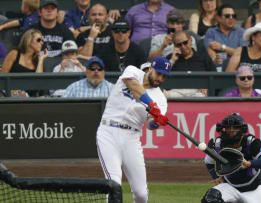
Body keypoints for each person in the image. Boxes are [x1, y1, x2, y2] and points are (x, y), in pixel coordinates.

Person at [96, 56, 171, 203]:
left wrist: (155, 122)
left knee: (141, 193)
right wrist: (151, 105)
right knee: (113, 185)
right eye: (158, 73)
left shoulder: (161, 99)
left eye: (164, 76)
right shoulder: (133, 71)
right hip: (108, 132)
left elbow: (149, 124)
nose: (160, 78)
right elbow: (134, 87)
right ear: (150, 69)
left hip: (131, 137)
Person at [202, 113, 261, 203]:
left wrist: (249, 164)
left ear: (241, 129)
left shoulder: (251, 142)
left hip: (255, 188)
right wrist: (216, 177)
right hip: (231, 186)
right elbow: (208, 162)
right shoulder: (219, 145)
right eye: (228, 127)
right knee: (211, 198)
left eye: (235, 127)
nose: (231, 130)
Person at [165, 30, 215, 97]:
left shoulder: (203, 57)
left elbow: (214, 76)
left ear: (191, 41)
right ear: (174, 46)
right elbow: (160, 77)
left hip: (198, 92)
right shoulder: (170, 58)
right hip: (176, 92)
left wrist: (207, 87)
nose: (183, 46)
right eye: (179, 45)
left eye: (185, 42)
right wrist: (172, 60)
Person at [0, 29, 48, 97]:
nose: (42, 43)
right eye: (38, 40)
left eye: (42, 41)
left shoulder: (37, 61)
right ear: (29, 40)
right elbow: (2, 77)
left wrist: (41, 59)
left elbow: (38, 83)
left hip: (30, 97)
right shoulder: (14, 53)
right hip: (11, 93)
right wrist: (11, 90)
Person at [204, 4, 247, 69]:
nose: (231, 18)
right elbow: (209, 49)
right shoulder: (211, 32)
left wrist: (222, 47)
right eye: (227, 16)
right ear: (218, 18)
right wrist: (214, 58)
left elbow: (243, 54)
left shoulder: (241, 32)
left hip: (237, 71)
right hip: (217, 70)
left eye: (233, 16)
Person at [76, 4, 116, 71]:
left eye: (100, 15)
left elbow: (114, 57)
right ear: (88, 18)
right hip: (88, 71)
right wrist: (91, 37)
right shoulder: (82, 35)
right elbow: (82, 61)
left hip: (110, 71)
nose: (97, 17)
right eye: (94, 15)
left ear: (107, 17)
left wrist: (92, 58)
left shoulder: (114, 33)